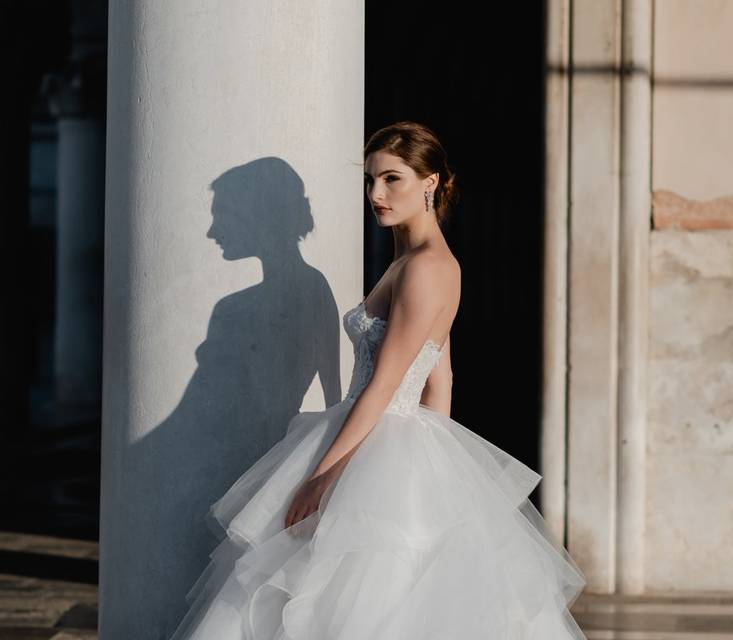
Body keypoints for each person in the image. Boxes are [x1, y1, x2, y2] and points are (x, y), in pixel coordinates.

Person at [168, 121, 588, 639]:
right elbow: (442, 377)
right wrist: (433, 474)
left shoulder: (427, 268)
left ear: (430, 182)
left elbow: (386, 385)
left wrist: (321, 477)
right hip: (384, 439)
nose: (376, 194)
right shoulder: (408, 261)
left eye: (392, 179)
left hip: (376, 436)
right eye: (370, 180)